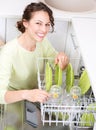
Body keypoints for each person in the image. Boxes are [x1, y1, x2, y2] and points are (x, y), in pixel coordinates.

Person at [0, 2, 69, 105]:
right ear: (25, 23)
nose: (44, 30)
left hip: (35, 93)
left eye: (47, 24)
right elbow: (1, 95)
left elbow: (57, 65)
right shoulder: (8, 52)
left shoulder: (43, 43)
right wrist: (26, 94)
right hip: (13, 97)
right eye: (38, 23)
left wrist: (62, 61)